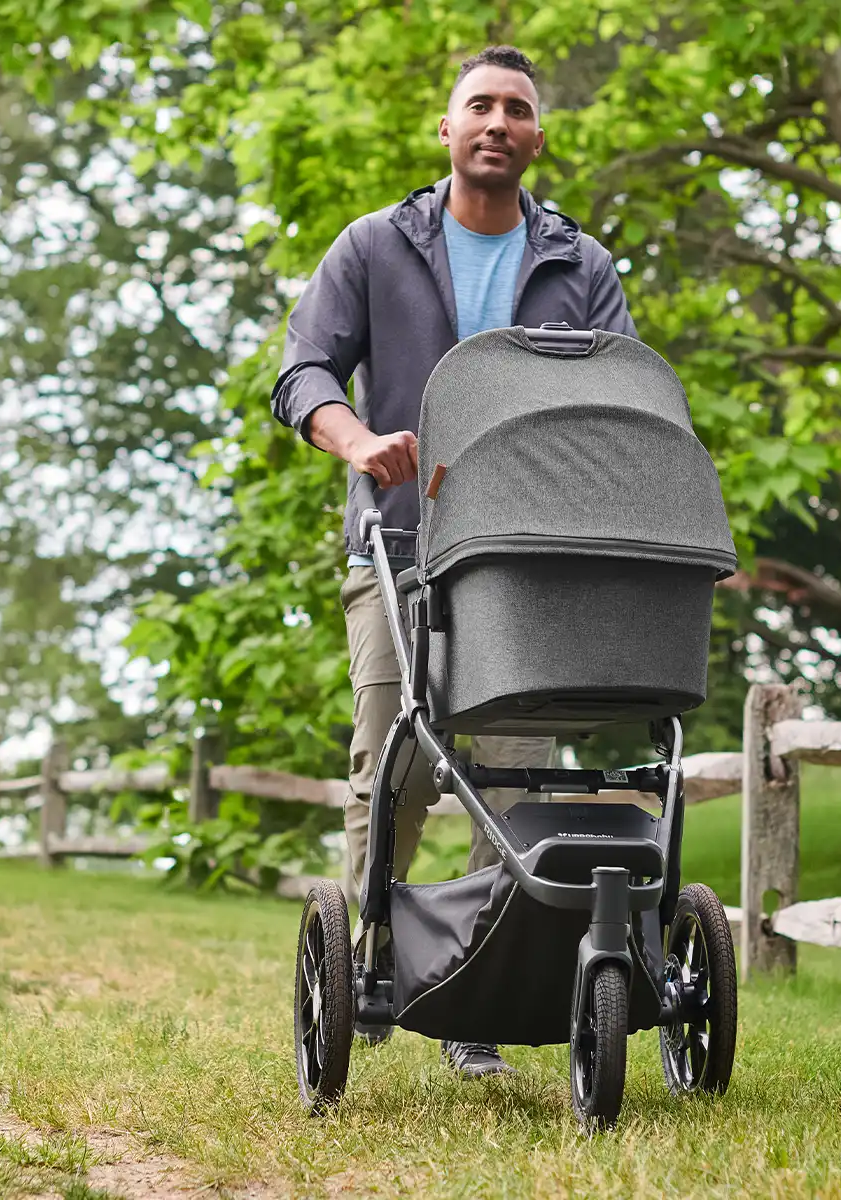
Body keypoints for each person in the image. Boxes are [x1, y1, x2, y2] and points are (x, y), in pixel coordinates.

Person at [269, 45, 636, 1080]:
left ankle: (482, 997)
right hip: (397, 546)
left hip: (528, 561)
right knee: (396, 763)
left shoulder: (580, 265)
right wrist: (358, 442)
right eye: (480, 104)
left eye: (517, 109)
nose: (497, 122)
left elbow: (621, 400)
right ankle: (373, 964)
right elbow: (302, 369)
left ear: (537, 136)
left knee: (516, 773)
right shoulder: (376, 246)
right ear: (447, 127)